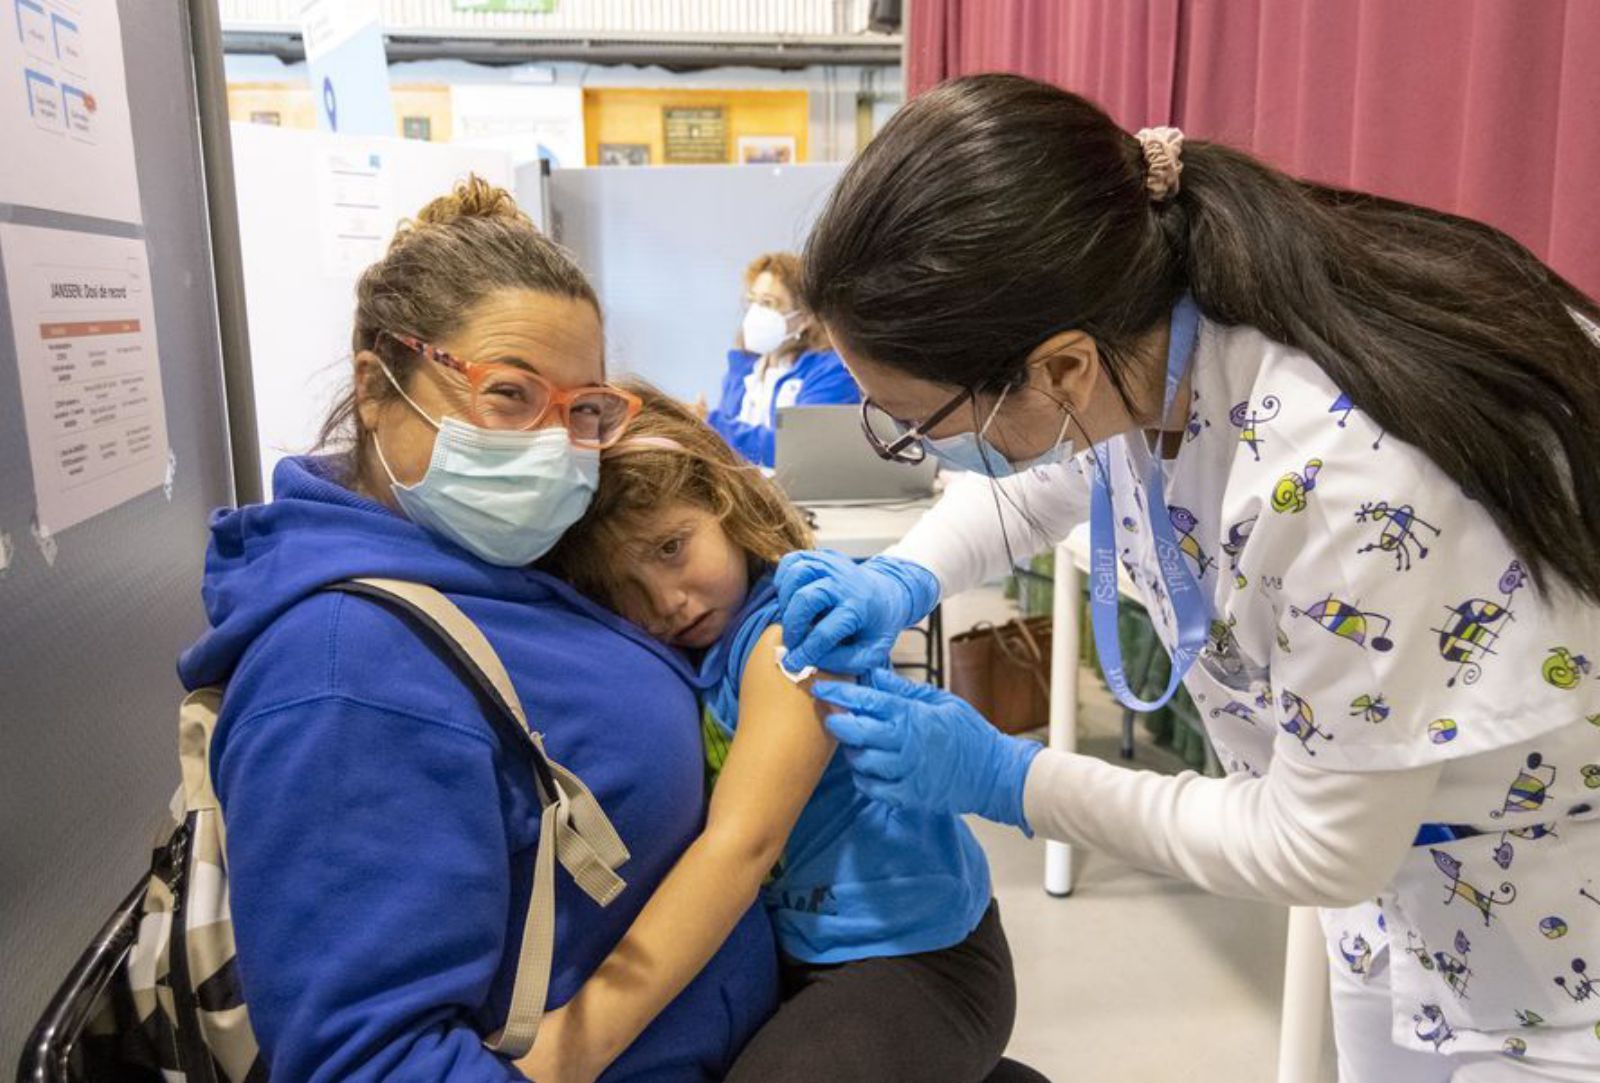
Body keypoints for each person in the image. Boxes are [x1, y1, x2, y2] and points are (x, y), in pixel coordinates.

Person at [774, 74, 1600, 1082]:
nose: (915, 448)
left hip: (1558, 929)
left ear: (1061, 369)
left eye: (921, 422)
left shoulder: (1341, 482)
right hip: (1416, 885)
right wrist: (903, 579)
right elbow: (1045, 477)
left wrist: (1010, 778)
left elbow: (1317, 848)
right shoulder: (1147, 320)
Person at [176, 177, 779, 1081]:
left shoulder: (488, 557)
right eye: (509, 395)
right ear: (378, 387)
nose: (553, 444)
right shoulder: (345, 675)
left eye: (581, 409)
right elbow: (373, 1062)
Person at [533, 383, 1041, 1083]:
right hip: (812, 950)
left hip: (921, 958)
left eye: (672, 547)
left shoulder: (790, 638)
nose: (665, 601)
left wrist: (577, 1039)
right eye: (623, 587)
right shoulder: (697, 648)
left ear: (725, 502)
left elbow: (744, 843)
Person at [705, 251, 860, 467]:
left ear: (805, 317)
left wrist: (711, 425)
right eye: (752, 301)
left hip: (798, 498)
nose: (756, 313)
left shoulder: (832, 371)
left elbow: (800, 448)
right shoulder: (743, 369)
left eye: (768, 303)